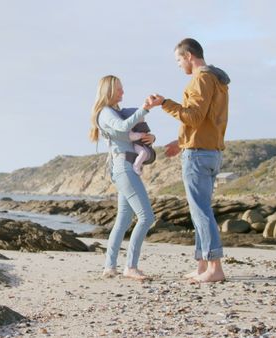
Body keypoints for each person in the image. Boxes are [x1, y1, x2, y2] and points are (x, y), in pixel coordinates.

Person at [151, 38, 230, 283]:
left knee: (201, 211)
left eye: (178, 60)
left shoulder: (201, 79)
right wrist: (181, 141)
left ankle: (214, 268)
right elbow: (206, 120)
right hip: (210, 150)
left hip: (199, 154)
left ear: (188, 56)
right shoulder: (217, 79)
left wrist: (164, 103)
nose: (178, 65)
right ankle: (202, 265)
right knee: (200, 210)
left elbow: (193, 117)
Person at [89, 75, 157, 281]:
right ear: (108, 91)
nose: (122, 93)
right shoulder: (106, 113)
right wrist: (145, 109)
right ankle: (131, 266)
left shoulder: (114, 111)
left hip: (126, 166)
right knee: (146, 217)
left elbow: (132, 131)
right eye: (119, 89)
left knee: (124, 219)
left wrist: (151, 137)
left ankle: (109, 267)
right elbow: (122, 128)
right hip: (124, 167)